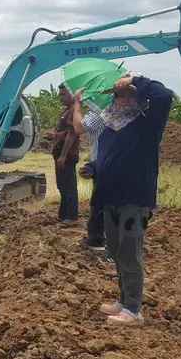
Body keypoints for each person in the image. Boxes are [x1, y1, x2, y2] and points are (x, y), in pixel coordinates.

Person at [91, 72, 173, 326]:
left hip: (134, 198)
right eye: (118, 95)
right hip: (110, 196)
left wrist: (136, 79)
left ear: (139, 98)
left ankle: (134, 310)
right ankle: (124, 300)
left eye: (128, 94)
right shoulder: (111, 126)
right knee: (116, 251)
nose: (122, 99)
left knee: (129, 252)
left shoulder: (148, 123)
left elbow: (165, 95)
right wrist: (93, 168)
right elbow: (108, 158)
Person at [72, 89, 108, 251]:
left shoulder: (100, 111)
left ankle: (97, 240)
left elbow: (79, 128)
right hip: (112, 162)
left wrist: (77, 103)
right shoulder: (122, 111)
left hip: (101, 163)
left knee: (99, 202)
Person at [51, 83, 80, 227]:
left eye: (63, 94)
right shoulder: (68, 111)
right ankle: (63, 216)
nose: (60, 97)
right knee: (62, 185)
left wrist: (63, 156)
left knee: (68, 186)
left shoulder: (73, 111)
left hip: (67, 154)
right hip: (62, 154)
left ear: (72, 95)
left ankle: (71, 217)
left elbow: (71, 134)